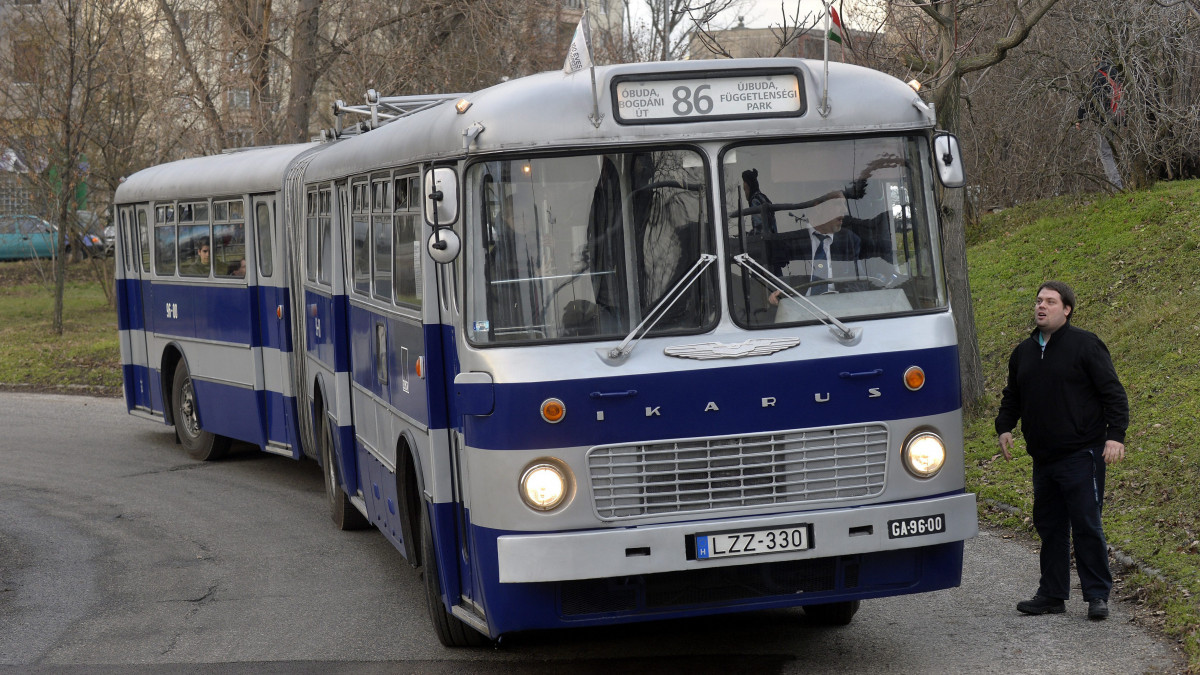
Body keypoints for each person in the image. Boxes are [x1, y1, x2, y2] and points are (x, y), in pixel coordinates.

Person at [994, 281, 1128, 621]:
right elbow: (1013, 395)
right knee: (1050, 526)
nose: (1041, 306)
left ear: (1066, 309)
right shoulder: (1024, 351)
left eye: (1050, 302)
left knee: (1086, 524)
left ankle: (1097, 596)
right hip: (1044, 458)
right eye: (1038, 300)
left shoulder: (1085, 345)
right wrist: (1005, 427)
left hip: (1082, 454)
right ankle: (1052, 593)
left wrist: (1116, 436)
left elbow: (1113, 393)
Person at [767, 192, 862, 304]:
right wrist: (776, 294)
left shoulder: (849, 241)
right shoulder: (789, 241)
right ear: (818, 207)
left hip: (842, 312)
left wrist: (840, 302)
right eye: (837, 204)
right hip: (798, 311)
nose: (845, 210)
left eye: (844, 204)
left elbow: (859, 283)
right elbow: (774, 282)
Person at [1076, 60, 1126, 190]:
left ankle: (1116, 187)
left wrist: (1080, 118)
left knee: (1105, 153)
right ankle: (1124, 181)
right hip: (1119, 116)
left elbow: (1090, 98)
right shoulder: (1115, 72)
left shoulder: (1098, 76)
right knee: (1112, 149)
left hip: (1106, 118)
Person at [741, 168, 776, 235]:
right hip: (772, 240)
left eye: (745, 189)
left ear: (750, 187)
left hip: (765, 243)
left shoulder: (755, 201)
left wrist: (745, 236)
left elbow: (759, 231)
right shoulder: (764, 198)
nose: (745, 193)